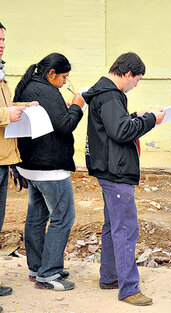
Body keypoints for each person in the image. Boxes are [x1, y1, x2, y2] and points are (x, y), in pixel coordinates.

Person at [83, 52, 165, 306]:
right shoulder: (109, 96)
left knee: (113, 226)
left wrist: (135, 116)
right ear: (128, 74)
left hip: (107, 169)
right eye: (137, 79)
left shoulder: (105, 94)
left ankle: (109, 276)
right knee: (126, 229)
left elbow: (114, 126)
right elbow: (120, 131)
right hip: (116, 172)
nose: (136, 84)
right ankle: (129, 288)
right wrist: (150, 120)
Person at [13, 53, 84, 291]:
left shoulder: (28, 86)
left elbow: (51, 119)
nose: (65, 82)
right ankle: (50, 274)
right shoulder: (47, 91)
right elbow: (65, 125)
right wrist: (77, 106)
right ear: (51, 74)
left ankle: (38, 267)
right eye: (64, 77)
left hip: (29, 166)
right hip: (50, 167)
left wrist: (64, 109)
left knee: (36, 217)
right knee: (63, 216)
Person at [0, 22, 38, 311]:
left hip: (3, 160)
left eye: (3, 39)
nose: (1, 44)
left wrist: (21, 107)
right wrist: (6, 113)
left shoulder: (1, 74)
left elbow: (7, 108)